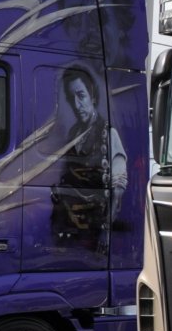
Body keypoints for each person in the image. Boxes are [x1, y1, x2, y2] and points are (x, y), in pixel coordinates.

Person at [50, 67, 127, 251]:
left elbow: (117, 188)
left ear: (92, 96)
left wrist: (106, 230)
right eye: (72, 98)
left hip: (94, 229)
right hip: (70, 227)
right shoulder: (73, 134)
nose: (77, 105)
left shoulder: (108, 134)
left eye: (81, 96)